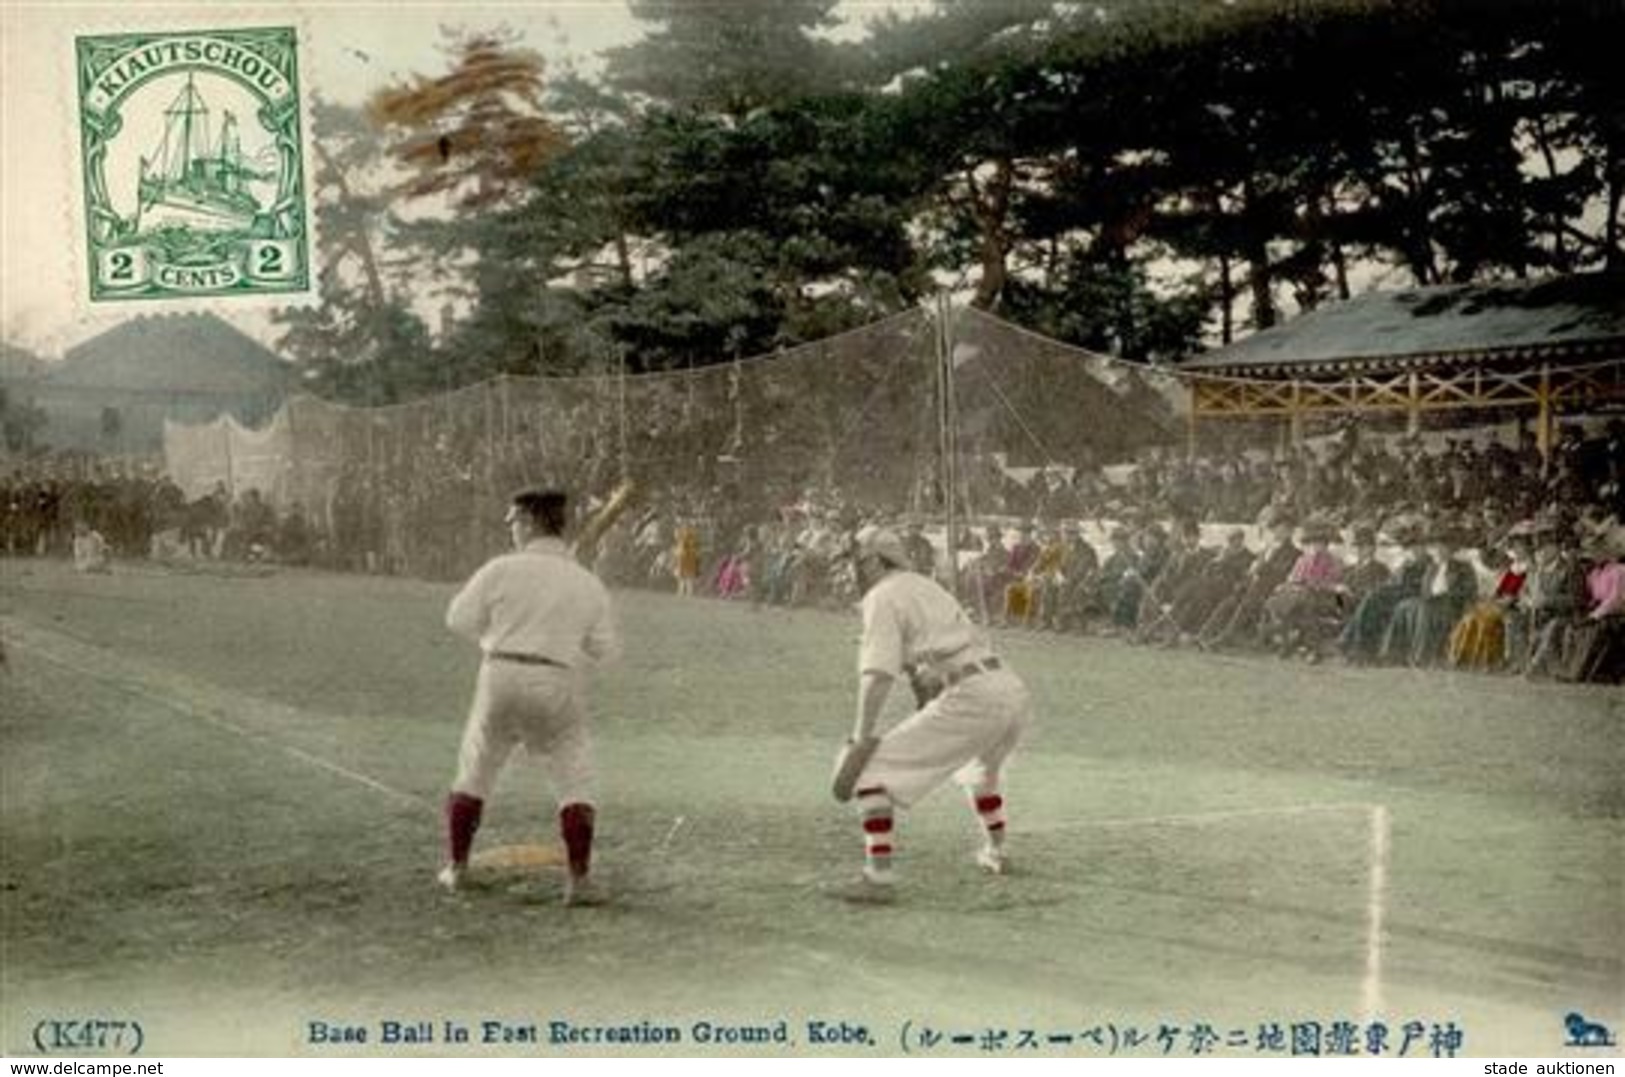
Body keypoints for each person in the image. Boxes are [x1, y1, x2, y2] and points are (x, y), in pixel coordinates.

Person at [439, 489, 620, 907]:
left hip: (499, 672)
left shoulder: (500, 569)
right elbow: (606, 650)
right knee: (574, 777)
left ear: (533, 522)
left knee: (476, 770)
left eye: (516, 522)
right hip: (556, 680)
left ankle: (458, 869)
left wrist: (497, 639)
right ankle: (579, 882)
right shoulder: (586, 582)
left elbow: (458, 619)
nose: (512, 530)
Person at [836, 525, 1034, 902]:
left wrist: (861, 736)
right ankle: (997, 851)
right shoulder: (926, 585)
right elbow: (936, 654)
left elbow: (877, 675)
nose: (852, 571)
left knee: (870, 774)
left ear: (876, 561)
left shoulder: (881, 595)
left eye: (856, 562)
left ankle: (878, 880)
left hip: (974, 695)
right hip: (1008, 687)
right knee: (981, 773)